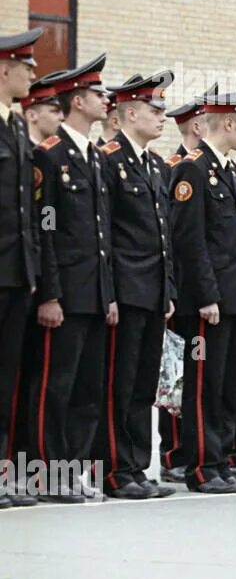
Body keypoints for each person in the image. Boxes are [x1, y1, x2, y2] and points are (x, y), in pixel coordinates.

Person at [29, 55, 117, 503]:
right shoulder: (50, 156)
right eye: (100, 95)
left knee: (88, 389)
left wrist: (110, 293)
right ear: (78, 101)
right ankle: (45, 470)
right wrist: (50, 293)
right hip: (65, 294)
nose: (107, 101)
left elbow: (102, 234)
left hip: (95, 294)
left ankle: (74, 470)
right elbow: (46, 229)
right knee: (55, 386)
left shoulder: (97, 158)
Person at [169, 84, 236, 493]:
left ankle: (220, 461)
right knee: (205, 384)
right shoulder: (193, 168)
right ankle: (203, 467)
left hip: (235, 298)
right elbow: (190, 240)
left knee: (226, 384)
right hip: (209, 302)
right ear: (228, 122)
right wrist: (207, 296)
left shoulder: (228, 168)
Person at [98, 70, 177, 499]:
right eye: (153, 109)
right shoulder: (109, 160)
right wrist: (108, 292)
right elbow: (105, 233)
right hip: (126, 289)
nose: (161, 117)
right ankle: (115, 469)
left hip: (151, 290)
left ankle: (137, 466)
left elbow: (163, 235)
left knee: (144, 384)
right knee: (121, 381)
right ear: (129, 112)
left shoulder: (153, 164)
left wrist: (168, 290)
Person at [0, 28, 42, 508]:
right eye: (25, 66)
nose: (32, 73)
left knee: (8, 378)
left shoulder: (14, 126)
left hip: (16, 274)